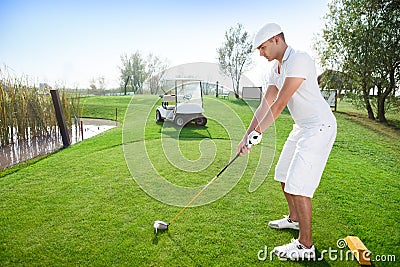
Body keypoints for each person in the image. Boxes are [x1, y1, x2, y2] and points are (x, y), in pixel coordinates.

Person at [238, 22, 337, 260]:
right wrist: (247, 135)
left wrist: (257, 135)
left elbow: (280, 103)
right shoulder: (275, 70)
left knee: (298, 184)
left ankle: (306, 246)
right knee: (282, 175)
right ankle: (294, 220)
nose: (261, 54)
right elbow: (266, 104)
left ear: (276, 40)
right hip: (301, 127)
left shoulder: (299, 59)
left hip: (319, 127)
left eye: (262, 48)